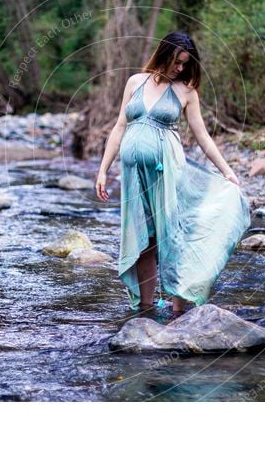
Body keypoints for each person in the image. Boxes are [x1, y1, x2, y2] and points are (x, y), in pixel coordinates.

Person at [95, 31, 251, 316]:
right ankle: (145, 307)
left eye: (184, 64)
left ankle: (179, 308)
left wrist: (228, 171)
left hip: (167, 174)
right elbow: (120, 126)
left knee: (172, 236)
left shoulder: (186, 91)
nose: (180, 68)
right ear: (163, 54)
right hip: (133, 175)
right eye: (176, 62)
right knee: (143, 240)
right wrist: (103, 170)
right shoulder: (134, 82)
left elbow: (202, 136)